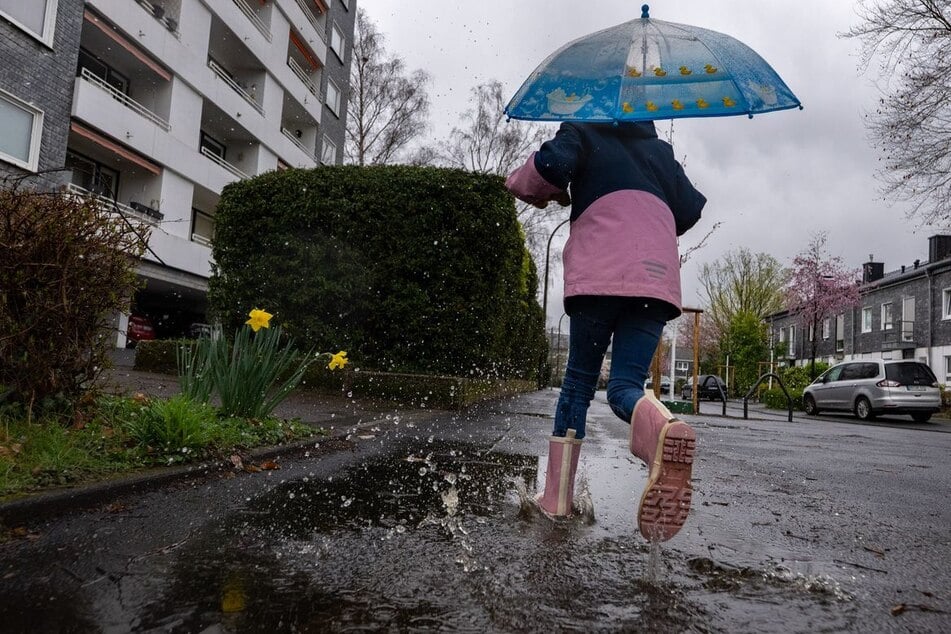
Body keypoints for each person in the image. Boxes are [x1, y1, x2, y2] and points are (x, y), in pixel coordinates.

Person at [506, 120, 706, 541]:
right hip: (655, 278)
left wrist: (532, 186)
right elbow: (688, 209)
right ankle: (664, 429)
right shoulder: (661, 151)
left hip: (600, 273)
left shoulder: (583, 131)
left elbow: (545, 169)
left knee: (578, 385)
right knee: (623, 387)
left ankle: (556, 499)